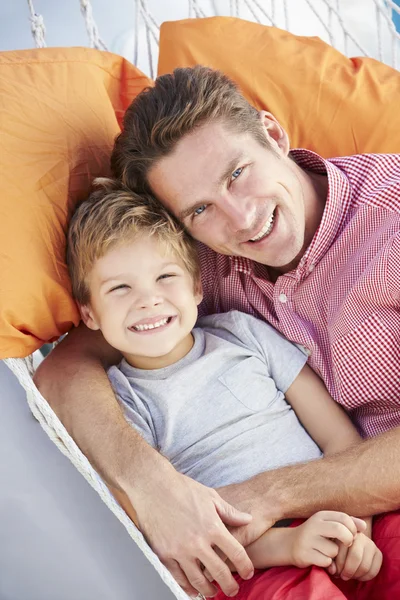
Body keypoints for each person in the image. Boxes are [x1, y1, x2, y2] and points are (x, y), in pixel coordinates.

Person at [34, 66, 400, 598]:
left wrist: (268, 495)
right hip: (326, 537)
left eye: (237, 173)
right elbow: (65, 369)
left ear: (273, 135)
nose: (242, 219)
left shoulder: (391, 218)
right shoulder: (193, 269)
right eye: (201, 208)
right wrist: (153, 486)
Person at [66, 179, 383, 599]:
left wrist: (357, 525)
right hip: (257, 562)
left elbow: (337, 434)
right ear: (89, 313)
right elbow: (170, 533)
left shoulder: (243, 333)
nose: (148, 300)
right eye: (120, 288)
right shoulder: (121, 406)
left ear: (198, 288)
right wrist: (287, 545)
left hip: (342, 513)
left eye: (165, 277)